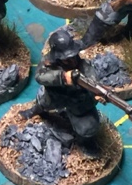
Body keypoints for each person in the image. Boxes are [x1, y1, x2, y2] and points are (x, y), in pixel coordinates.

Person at [20, 29, 101, 157]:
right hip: (55, 96)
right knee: (43, 103)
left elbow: (93, 80)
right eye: (66, 59)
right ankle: (34, 111)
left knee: (88, 127)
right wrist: (62, 77)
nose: (72, 61)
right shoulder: (50, 62)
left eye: (73, 56)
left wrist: (96, 93)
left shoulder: (84, 65)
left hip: (78, 102)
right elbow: (40, 76)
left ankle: (85, 143)